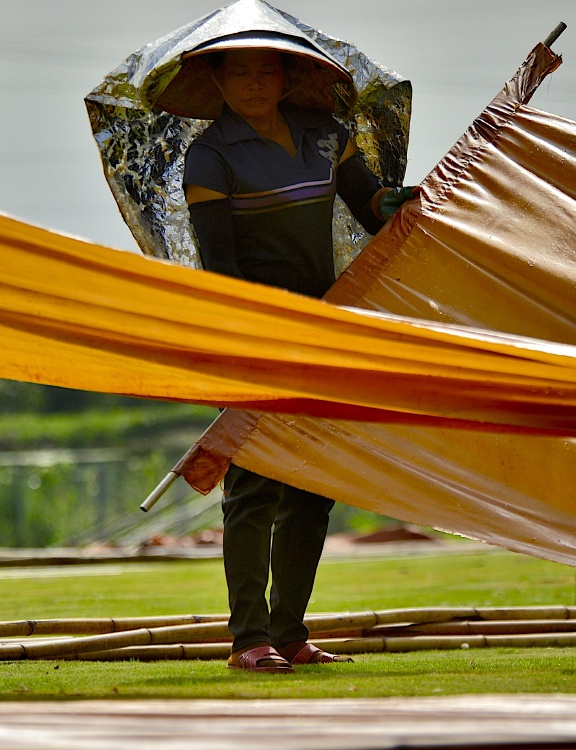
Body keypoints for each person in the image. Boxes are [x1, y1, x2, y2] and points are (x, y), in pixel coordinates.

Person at [182, 43, 413, 673]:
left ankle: (289, 633)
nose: (254, 83)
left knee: (314, 488)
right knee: (254, 489)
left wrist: (395, 205)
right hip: (253, 337)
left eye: (267, 70)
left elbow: (370, 209)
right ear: (217, 81)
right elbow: (221, 268)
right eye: (240, 72)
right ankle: (248, 640)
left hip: (323, 335)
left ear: (288, 77)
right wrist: (259, 340)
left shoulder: (325, 135)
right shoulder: (210, 156)